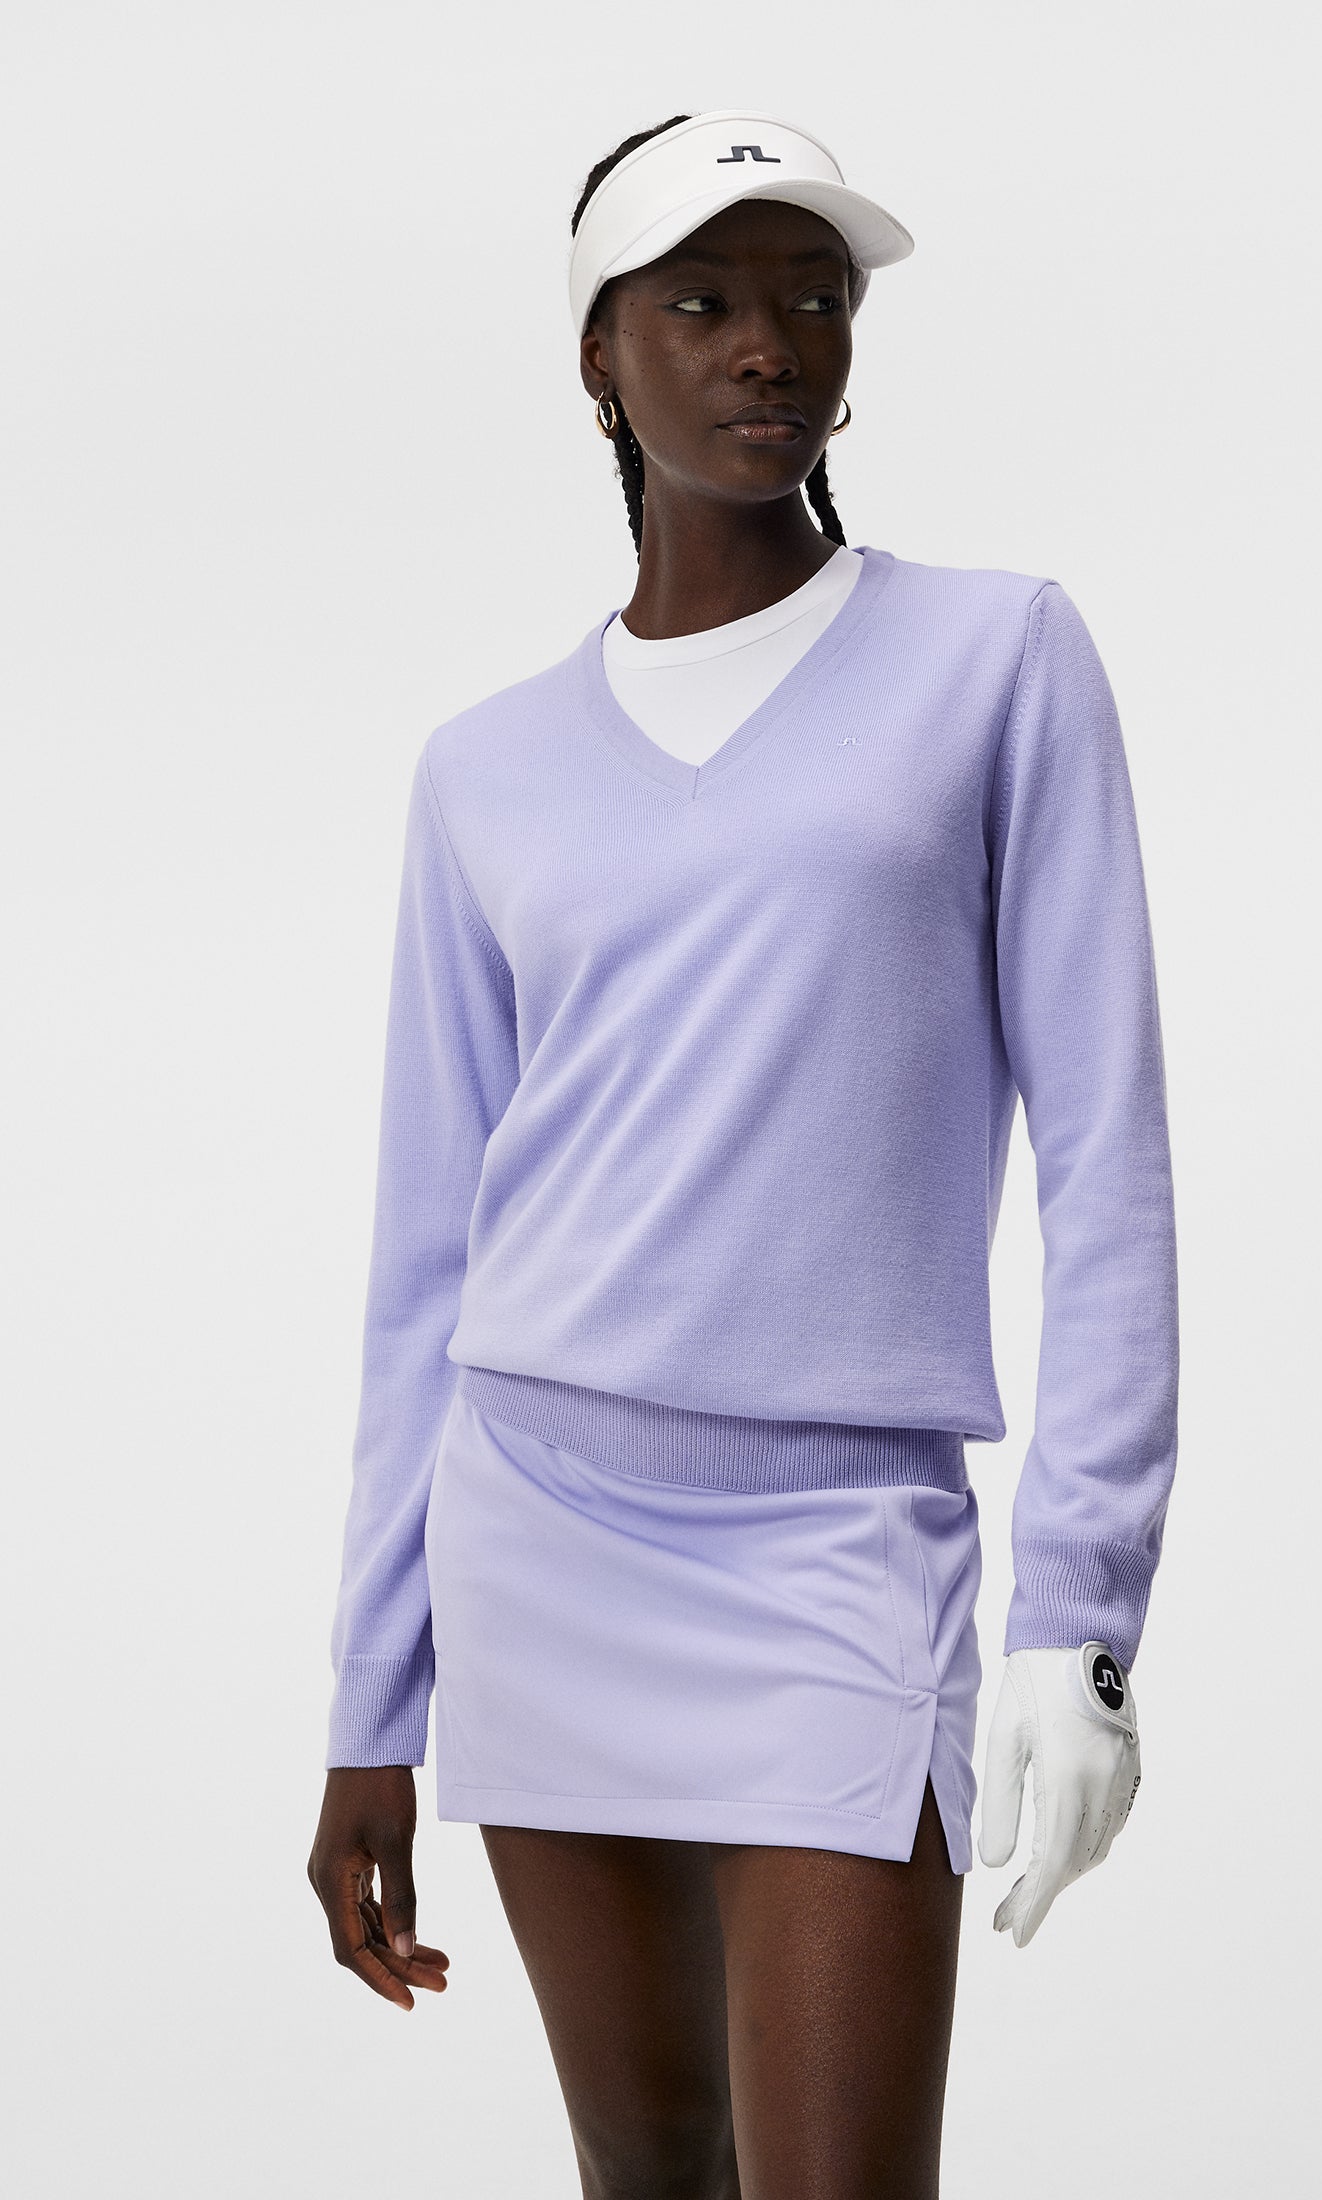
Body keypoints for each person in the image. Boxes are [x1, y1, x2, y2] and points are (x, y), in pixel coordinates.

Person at [307, 107, 1179, 2196]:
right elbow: (426, 1262)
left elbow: (1111, 1168)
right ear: (598, 359)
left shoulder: (996, 658)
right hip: (534, 1534)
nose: (768, 344)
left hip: (839, 1550)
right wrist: (367, 1699)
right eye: (700, 300)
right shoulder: (484, 771)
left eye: (812, 297)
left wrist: (1078, 1609)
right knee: (649, 2172)